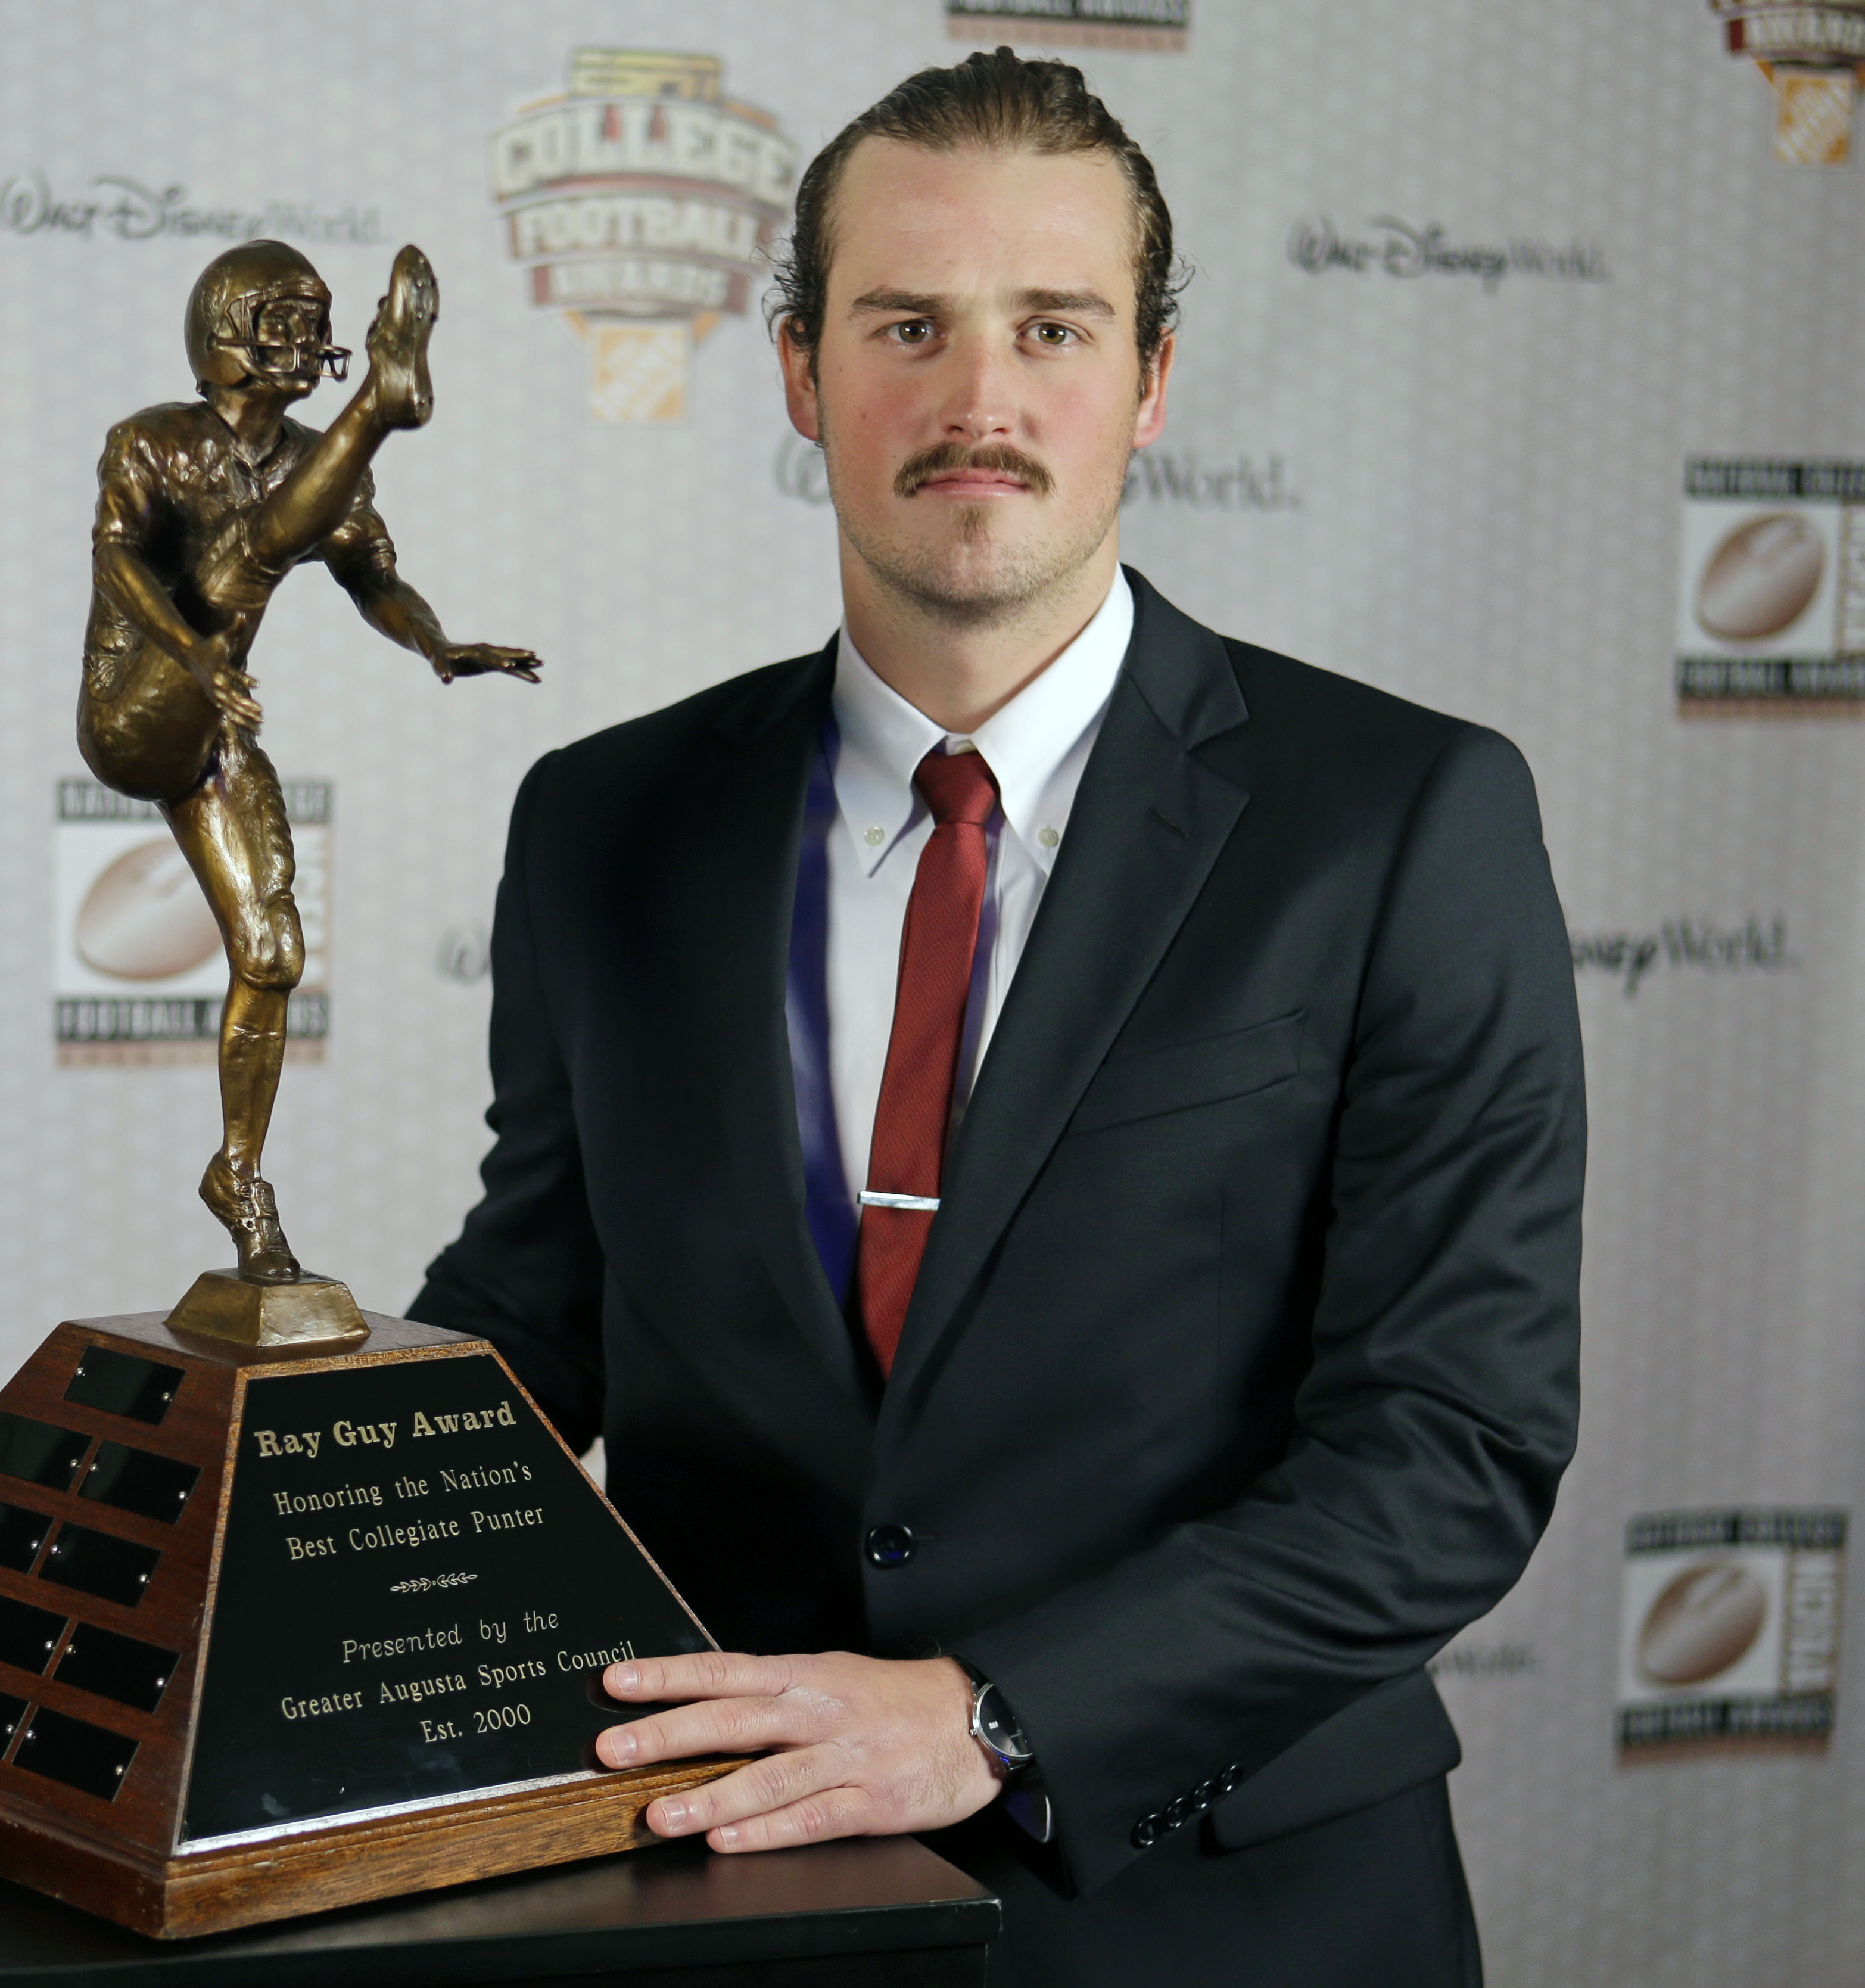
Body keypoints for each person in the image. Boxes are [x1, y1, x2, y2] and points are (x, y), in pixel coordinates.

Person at [412, 50, 1580, 1988]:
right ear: (800, 373)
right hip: (718, 1889)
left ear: (1151, 379)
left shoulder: (1401, 819)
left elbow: (1449, 1440)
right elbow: (543, 1304)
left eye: (1053, 325)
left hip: (1233, 1906)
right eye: (906, 325)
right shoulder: (602, 823)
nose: (979, 400)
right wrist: (271, 1477)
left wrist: (986, 1712)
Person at [80, 240, 537, 1283]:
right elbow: (115, 559)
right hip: (134, 706)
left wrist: (436, 641)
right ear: (225, 330)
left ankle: (238, 1174)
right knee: (249, 551)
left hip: (216, 727)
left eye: (312, 322)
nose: (300, 341)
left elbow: (375, 574)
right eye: (282, 321)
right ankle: (385, 400)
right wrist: (194, 653)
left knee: (273, 949)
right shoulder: (151, 443)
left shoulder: (308, 464)